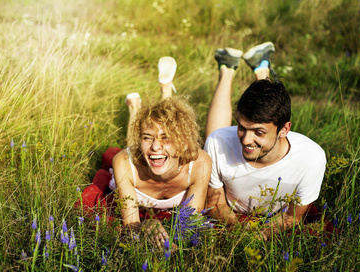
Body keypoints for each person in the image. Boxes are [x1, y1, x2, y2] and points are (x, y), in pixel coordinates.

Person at [203, 42, 327, 240]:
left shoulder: (312, 158)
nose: (246, 139)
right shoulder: (219, 141)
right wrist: (237, 231)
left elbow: (292, 216)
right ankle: (230, 68)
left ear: (284, 129)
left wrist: (262, 235)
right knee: (215, 136)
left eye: (258, 132)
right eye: (241, 127)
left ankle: (258, 66)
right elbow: (213, 201)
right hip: (233, 211)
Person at [113, 57, 212, 248]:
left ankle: (165, 91)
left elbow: (188, 224)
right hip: (134, 156)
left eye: (166, 137)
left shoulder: (200, 163)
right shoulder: (124, 162)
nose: (156, 146)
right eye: (147, 138)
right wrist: (147, 225)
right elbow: (130, 223)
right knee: (140, 139)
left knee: (161, 125)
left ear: (184, 143)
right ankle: (134, 107)